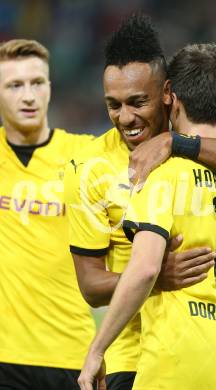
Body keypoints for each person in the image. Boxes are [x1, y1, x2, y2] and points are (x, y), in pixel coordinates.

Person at [64, 14, 216, 390]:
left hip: (199, 350)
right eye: (113, 105)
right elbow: (90, 284)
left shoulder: (206, 132)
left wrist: (175, 143)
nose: (126, 118)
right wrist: (156, 278)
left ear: (167, 93)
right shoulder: (89, 170)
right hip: (130, 355)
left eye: (138, 102)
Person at [0, 39, 96, 389]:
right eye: (14, 85)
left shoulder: (87, 154)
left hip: (71, 353)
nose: (28, 96)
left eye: (37, 83)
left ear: (50, 88)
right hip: (3, 358)